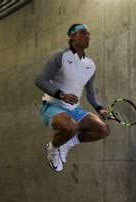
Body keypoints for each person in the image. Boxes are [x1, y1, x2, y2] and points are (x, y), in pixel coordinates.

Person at [35, 23, 109, 172]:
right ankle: (52, 149)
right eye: (82, 33)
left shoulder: (90, 65)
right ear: (72, 36)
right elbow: (40, 80)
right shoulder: (61, 56)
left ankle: (67, 143)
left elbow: (90, 92)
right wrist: (61, 95)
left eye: (88, 34)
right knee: (71, 127)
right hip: (52, 106)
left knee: (103, 130)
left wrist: (100, 109)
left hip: (74, 109)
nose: (87, 36)